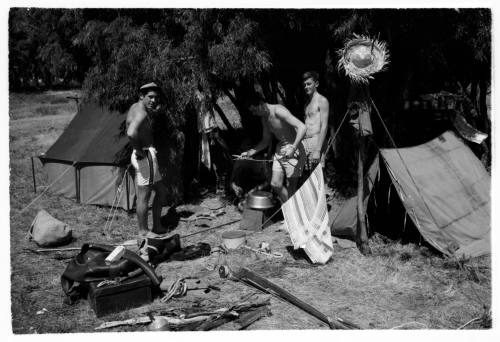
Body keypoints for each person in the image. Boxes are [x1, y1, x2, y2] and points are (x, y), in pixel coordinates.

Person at [240, 92, 306, 203]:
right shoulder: (264, 119)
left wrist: (293, 147)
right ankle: (291, 209)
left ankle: (295, 214)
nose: (254, 114)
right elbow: (266, 140)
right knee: (275, 184)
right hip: (280, 149)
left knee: (291, 186)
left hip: (294, 148)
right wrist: (250, 152)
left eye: (254, 110)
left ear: (261, 104)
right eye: (252, 111)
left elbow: (302, 127)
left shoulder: (278, 110)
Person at [126, 82, 166, 237]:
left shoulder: (136, 107)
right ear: (141, 96)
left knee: (161, 192)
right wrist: (138, 150)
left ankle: (158, 226)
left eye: (156, 97)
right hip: (145, 156)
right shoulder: (141, 113)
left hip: (146, 156)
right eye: (150, 97)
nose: (154, 100)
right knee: (144, 196)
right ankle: (143, 231)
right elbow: (131, 132)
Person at [302, 71, 330, 173]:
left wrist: (318, 149)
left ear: (316, 84)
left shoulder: (322, 100)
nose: (306, 87)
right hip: (306, 142)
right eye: (304, 85)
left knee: (318, 176)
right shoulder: (307, 103)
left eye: (309, 84)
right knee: (309, 178)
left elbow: (324, 125)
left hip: (317, 141)